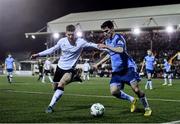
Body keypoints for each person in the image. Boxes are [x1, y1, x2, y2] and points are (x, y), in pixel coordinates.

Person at [31, 24, 100, 113]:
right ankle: (74, 78)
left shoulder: (80, 42)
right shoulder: (62, 41)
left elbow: (92, 45)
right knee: (55, 88)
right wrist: (38, 54)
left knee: (61, 84)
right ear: (65, 33)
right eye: (69, 34)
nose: (71, 36)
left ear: (75, 33)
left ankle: (50, 106)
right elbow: (52, 49)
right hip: (59, 68)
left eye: (72, 34)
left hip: (69, 69)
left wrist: (103, 47)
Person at [93, 20, 152, 116]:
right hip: (117, 71)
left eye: (107, 31)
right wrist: (98, 63)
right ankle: (132, 99)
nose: (105, 33)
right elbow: (110, 54)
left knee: (136, 90)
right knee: (114, 92)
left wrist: (106, 46)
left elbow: (120, 50)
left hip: (128, 68)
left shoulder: (119, 38)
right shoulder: (107, 40)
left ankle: (147, 108)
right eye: (103, 31)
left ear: (112, 29)